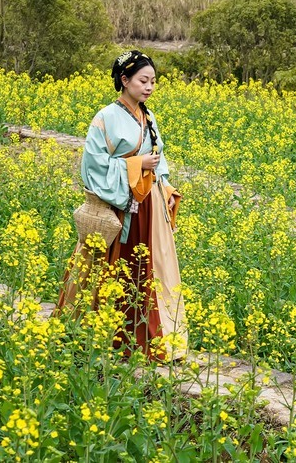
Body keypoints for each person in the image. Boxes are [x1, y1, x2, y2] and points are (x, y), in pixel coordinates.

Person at [58, 50, 187, 361]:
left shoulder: (149, 116)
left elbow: (160, 159)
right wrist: (136, 165)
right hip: (118, 205)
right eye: (143, 80)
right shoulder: (105, 117)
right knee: (111, 266)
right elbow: (93, 165)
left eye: (153, 81)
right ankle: (103, 333)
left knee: (149, 267)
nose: (149, 87)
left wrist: (166, 186)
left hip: (149, 203)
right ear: (124, 80)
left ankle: (147, 337)